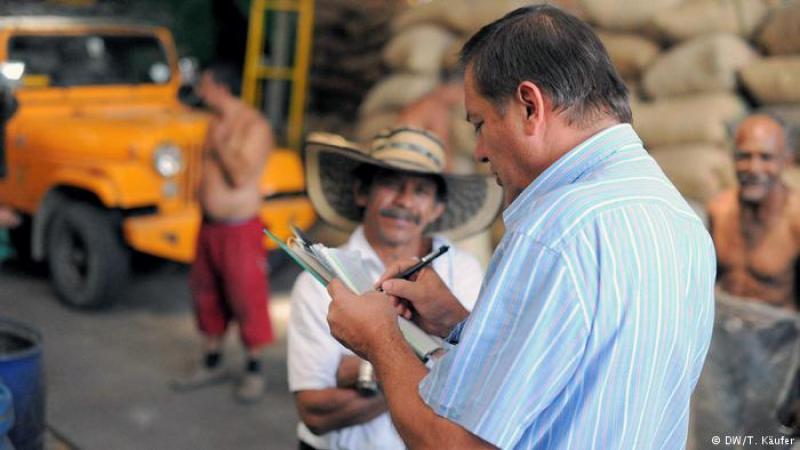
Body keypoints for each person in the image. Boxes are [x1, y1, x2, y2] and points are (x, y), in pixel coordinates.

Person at [324, 5, 716, 449]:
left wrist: (381, 342)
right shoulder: (681, 219)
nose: (479, 152)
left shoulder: (554, 231)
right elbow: (582, 374)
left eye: (479, 125)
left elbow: (459, 445)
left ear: (530, 106)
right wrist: (459, 324)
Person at [288, 127, 502, 450]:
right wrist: (429, 361)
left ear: (437, 208)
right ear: (362, 192)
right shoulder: (319, 279)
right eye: (391, 183)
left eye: (420, 191)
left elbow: (481, 382)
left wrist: (365, 368)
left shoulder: (464, 270)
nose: (404, 201)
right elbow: (315, 413)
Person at [172, 63, 274, 403]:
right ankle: (212, 361)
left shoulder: (253, 125)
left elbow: (241, 177)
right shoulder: (213, 123)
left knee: (246, 297)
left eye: (204, 85)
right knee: (206, 295)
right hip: (209, 228)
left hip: (240, 230)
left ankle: (254, 368)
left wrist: (219, 146)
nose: (200, 92)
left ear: (220, 87)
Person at [707, 114, 799, 310]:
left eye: (766, 157)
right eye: (744, 156)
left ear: (787, 161)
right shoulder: (718, 210)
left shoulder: (796, 219)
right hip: (726, 326)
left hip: (779, 335)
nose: (753, 168)